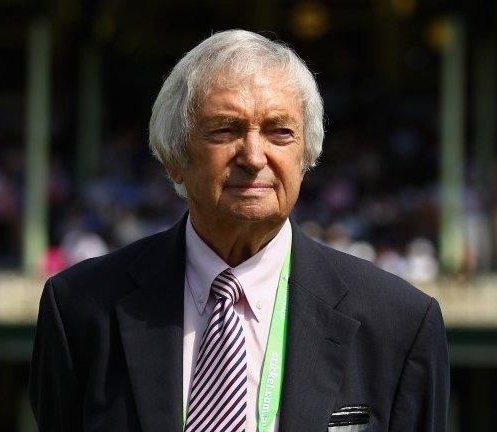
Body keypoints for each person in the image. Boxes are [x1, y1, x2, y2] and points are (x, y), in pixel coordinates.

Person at [30, 30, 449, 432]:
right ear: (174, 157)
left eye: (279, 131)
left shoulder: (399, 324)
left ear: (306, 156)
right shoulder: (80, 310)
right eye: (226, 130)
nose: (253, 155)